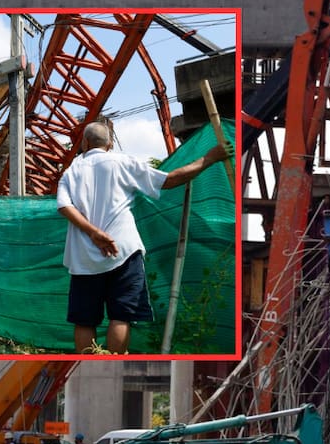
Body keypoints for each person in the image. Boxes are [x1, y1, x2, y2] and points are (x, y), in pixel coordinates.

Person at [56, 120, 232, 354]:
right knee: (121, 316)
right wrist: (209, 158)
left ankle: (88, 358)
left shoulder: (72, 171)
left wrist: (94, 233)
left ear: (85, 142)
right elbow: (169, 180)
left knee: (84, 320)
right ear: (109, 144)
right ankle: (115, 359)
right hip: (123, 250)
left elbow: (64, 206)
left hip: (83, 258)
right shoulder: (122, 162)